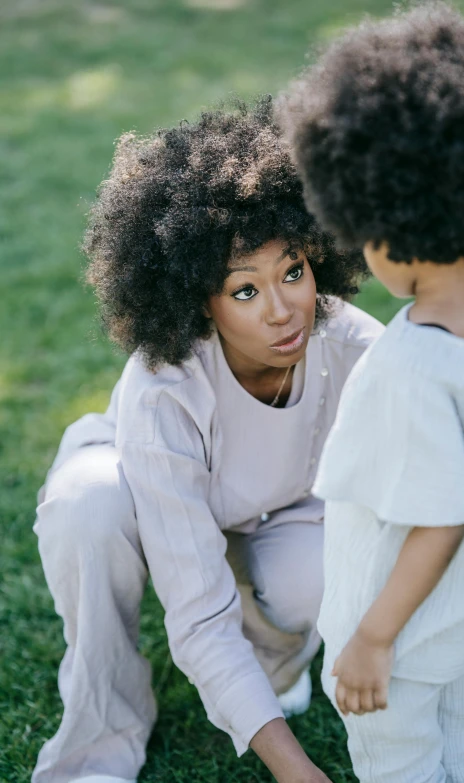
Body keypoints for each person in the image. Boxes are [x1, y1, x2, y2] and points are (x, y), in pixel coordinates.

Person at [33, 96, 383, 783]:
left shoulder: (351, 346)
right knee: (88, 507)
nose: (283, 310)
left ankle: (276, 661)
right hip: (138, 490)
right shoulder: (164, 386)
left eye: (292, 271)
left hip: (278, 510)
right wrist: (294, 768)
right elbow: (196, 612)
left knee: (326, 567)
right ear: (201, 300)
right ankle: (98, 740)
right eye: (244, 290)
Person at [277, 3, 464, 781]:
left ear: (381, 219)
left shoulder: (408, 367)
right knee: (459, 749)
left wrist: (373, 639)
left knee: (403, 766)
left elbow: (438, 518)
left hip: (400, 635)